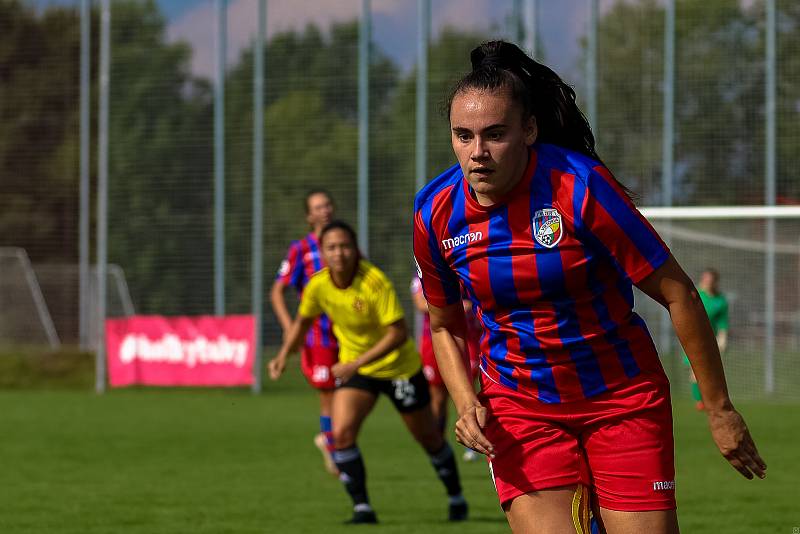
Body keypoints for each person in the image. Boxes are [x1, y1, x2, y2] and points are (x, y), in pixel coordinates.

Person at [412, 40, 766, 534]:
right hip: (519, 404)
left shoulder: (580, 187)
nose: (478, 153)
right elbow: (446, 324)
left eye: (495, 134)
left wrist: (720, 409)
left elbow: (678, 293)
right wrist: (465, 400)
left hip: (621, 398)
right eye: (463, 136)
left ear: (529, 129)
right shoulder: (435, 212)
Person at [269, 221, 468, 524]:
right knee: (341, 434)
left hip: (398, 369)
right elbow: (302, 322)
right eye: (332, 247)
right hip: (360, 371)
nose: (339, 253)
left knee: (428, 436)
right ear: (323, 253)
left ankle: (456, 497)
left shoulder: (374, 282)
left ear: (356, 249)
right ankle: (363, 508)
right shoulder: (318, 285)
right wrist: (282, 355)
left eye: (345, 246)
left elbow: (399, 333)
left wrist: (354, 364)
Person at [270, 189, 339, 475]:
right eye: (318, 207)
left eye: (327, 204)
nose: (325, 210)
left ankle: (333, 442)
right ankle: (334, 450)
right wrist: (290, 330)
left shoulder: (342, 243)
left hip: (347, 335)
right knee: (329, 396)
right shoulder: (301, 249)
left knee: (349, 395)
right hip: (317, 338)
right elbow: (277, 291)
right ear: (309, 216)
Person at [411, 276, 482, 461]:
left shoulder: (464, 269)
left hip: (468, 338)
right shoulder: (425, 274)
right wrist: (451, 307)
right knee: (437, 397)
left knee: (469, 391)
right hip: (434, 341)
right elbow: (420, 303)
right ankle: (438, 443)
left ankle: (474, 442)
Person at [686, 268, 729, 410]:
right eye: (705, 279)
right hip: (694, 337)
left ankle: (709, 398)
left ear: (715, 282)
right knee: (695, 370)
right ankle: (700, 401)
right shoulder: (695, 294)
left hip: (711, 340)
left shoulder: (721, 301)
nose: (707, 282)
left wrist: (723, 338)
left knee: (710, 372)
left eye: (710, 280)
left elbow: (723, 323)